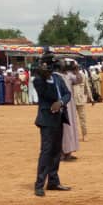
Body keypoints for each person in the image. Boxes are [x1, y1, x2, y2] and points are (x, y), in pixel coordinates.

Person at [31, 55, 72, 197]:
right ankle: (39, 184)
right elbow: (47, 94)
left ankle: (53, 181)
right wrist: (46, 78)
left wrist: (61, 102)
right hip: (47, 120)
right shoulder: (38, 80)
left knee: (56, 151)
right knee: (46, 151)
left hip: (59, 118)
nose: (46, 67)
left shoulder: (58, 78)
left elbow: (67, 94)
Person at [60, 61, 80, 160]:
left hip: (70, 105)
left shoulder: (69, 75)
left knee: (70, 127)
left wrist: (76, 70)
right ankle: (61, 153)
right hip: (61, 103)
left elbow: (79, 80)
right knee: (62, 129)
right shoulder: (56, 76)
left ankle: (69, 152)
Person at [72, 65, 92, 141]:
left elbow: (87, 87)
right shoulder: (70, 77)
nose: (75, 70)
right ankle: (74, 136)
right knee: (73, 120)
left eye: (76, 69)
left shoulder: (83, 76)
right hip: (72, 102)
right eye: (74, 69)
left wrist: (91, 98)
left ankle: (85, 134)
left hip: (81, 101)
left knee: (82, 119)